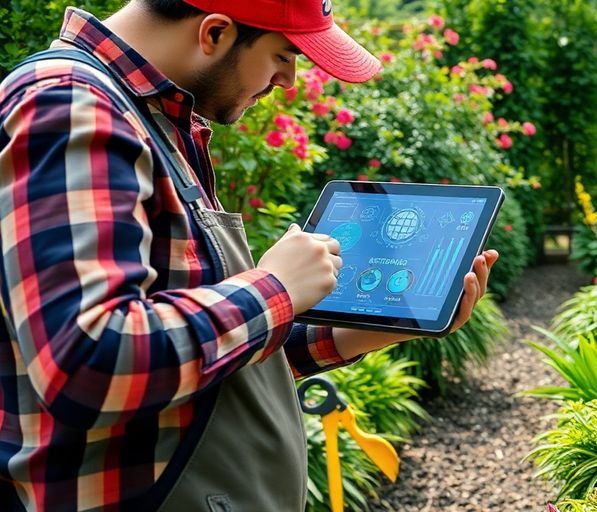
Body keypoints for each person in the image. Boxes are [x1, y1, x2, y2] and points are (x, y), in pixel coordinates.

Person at [0, 0, 499, 510]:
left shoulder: (152, 118)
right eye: (284, 55)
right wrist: (275, 288)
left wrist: (381, 324)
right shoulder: (68, 106)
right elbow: (88, 364)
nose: (289, 79)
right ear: (215, 32)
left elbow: (213, 358)